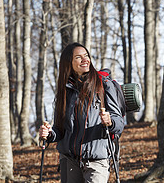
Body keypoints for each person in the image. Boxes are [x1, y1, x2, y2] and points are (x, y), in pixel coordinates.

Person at [39, 42, 124, 183]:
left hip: (97, 161)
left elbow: (119, 123)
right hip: (69, 161)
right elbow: (60, 130)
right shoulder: (64, 91)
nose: (85, 59)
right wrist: (49, 134)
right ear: (69, 63)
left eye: (86, 55)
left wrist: (110, 121)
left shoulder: (103, 85)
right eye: (78, 57)